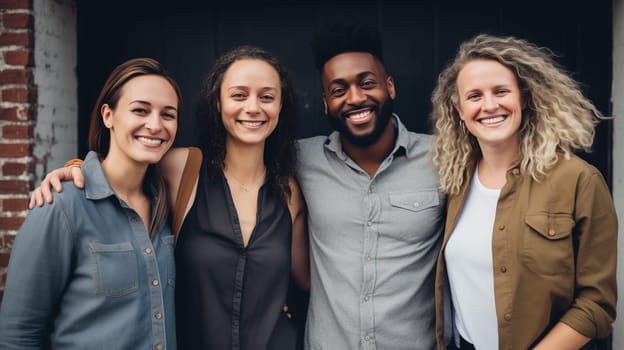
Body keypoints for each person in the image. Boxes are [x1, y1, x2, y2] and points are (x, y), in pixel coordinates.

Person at [29, 45, 310, 350]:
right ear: (217, 102)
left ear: (281, 106)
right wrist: (73, 170)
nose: (253, 107)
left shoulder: (290, 191)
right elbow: (117, 172)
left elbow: (310, 282)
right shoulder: (181, 168)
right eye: (239, 95)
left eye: (267, 97)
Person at [431, 34, 618, 349]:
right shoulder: (453, 181)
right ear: (459, 109)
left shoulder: (579, 180)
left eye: (501, 91)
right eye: (474, 95)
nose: (489, 105)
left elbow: (597, 303)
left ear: (525, 98)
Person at [0, 57, 181, 349]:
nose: (155, 125)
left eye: (168, 114)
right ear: (108, 115)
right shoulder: (60, 206)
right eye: (140, 110)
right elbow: (18, 334)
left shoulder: (172, 198)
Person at [297, 22, 445, 349]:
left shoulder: (445, 157)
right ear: (325, 103)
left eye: (367, 83)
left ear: (389, 87)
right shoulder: (300, 160)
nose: (356, 98)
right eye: (339, 90)